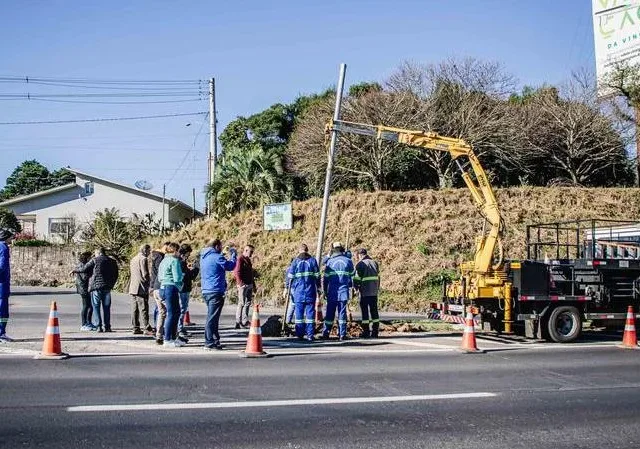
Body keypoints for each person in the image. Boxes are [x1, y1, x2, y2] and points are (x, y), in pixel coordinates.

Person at [200, 238, 237, 350]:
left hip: (206, 290)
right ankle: (209, 341)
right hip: (216, 290)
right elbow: (230, 266)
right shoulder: (217, 257)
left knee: (213, 317)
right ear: (216, 246)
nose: (221, 248)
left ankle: (215, 340)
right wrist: (233, 255)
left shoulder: (203, 257)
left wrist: (222, 254)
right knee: (212, 318)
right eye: (220, 246)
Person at [74, 248, 119, 333]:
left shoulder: (95, 260)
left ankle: (99, 326)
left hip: (96, 287)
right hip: (107, 288)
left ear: (98, 253)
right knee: (106, 308)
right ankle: (107, 326)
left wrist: (75, 270)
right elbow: (116, 274)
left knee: (96, 307)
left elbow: (84, 269)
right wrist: (112, 284)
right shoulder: (112, 261)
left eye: (95, 253)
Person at [286, 243, 320, 341]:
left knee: (299, 315)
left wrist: (286, 287)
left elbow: (290, 277)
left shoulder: (296, 262)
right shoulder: (313, 261)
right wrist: (319, 288)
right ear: (307, 250)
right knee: (310, 314)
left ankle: (300, 334)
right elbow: (317, 276)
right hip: (310, 291)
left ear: (299, 250)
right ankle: (310, 335)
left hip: (298, 292)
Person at [321, 242, 355, 341]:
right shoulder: (348, 261)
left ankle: (326, 333)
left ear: (333, 250)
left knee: (329, 314)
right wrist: (352, 287)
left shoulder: (330, 262)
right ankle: (342, 334)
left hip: (332, 292)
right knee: (342, 314)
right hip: (344, 291)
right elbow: (352, 276)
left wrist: (325, 291)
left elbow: (326, 279)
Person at [158, 242, 184, 347]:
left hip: (163, 286)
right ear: (175, 251)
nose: (179, 253)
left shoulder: (163, 261)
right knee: (172, 313)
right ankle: (168, 339)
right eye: (178, 251)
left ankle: (173, 338)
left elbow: (159, 277)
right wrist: (182, 277)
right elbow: (177, 277)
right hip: (171, 287)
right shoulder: (174, 261)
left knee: (175, 312)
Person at [353, 248, 381, 338]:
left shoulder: (360, 264)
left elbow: (357, 279)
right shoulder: (374, 262)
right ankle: (375, 331)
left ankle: (366, 331)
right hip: (374, 291)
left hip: (364, 292)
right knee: (374, 312)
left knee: (365, 312)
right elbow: (378, 276)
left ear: (360, 255)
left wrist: (355, 288)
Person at [129, 244, 152, 335]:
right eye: (149, 251)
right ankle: (146, 327)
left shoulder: (133, 259)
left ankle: (135, 327)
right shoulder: (143, 259)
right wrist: (149, 283)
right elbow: (145, 274)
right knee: (143, 308)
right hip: (141, 287)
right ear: (145, 250)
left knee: (134, 309)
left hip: (133, 286)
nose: (149, 253)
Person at [149, 242, 169, 344]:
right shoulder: (161, 258)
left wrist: (152, 286)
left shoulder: (154, 256)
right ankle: (170, 335)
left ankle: (159, 334)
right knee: (170, 311)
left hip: (155, 286)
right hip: (162, 286)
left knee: (161, 311)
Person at [178, 243, 199, 340]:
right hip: (183, 288)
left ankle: (180, 327)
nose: (188, 256)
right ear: (185, 253)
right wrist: (195, 269)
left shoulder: (179, 261)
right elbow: (189, 276)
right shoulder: (181, 262)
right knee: (182, 308)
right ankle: (179, 328)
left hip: (181, 288)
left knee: (181, 309)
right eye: (188, 254)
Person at [233, 244, 255, 329]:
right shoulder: (240, 259)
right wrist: (240, 283)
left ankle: (245, 320)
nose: (252, 254)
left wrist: (253, 284)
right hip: (243, 285)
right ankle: (238, 321)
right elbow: (237, 272)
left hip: (249, 284)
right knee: (241, 303)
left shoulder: (248, 260)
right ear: (246, 250)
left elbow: (251, 273)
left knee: (248, 302)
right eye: (251, 252)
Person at [0, 228, 15, 342]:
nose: (12, 238)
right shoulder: (4, 248)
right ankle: (1, 332)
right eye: (10, 236)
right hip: (2, 283)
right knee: (3, 309)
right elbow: (3, 265)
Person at [75, 251, 94, 331]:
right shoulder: (83, 265)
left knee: (90, 306)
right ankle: (84, 323)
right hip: (83, 288)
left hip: (84, 287)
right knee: (86, 306)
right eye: (90, 257)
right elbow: (85, 277)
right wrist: (92, 273)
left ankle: (88, 322)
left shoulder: (83, 265)